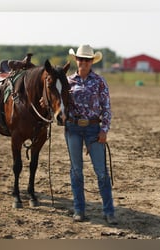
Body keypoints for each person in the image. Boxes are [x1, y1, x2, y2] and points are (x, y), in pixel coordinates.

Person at [64, 44, 116, 225]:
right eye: (81, 59)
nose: (83, 62)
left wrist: (104, 130)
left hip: (94, 129)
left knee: (101, 172)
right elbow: (58, 104)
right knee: (76, 171)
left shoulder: (100, 82)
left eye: (87, 59)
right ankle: (79, 210)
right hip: (73, 128)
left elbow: (106, 108)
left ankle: (109, 211)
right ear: (76, 60)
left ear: (92, 61)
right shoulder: (68, 82)